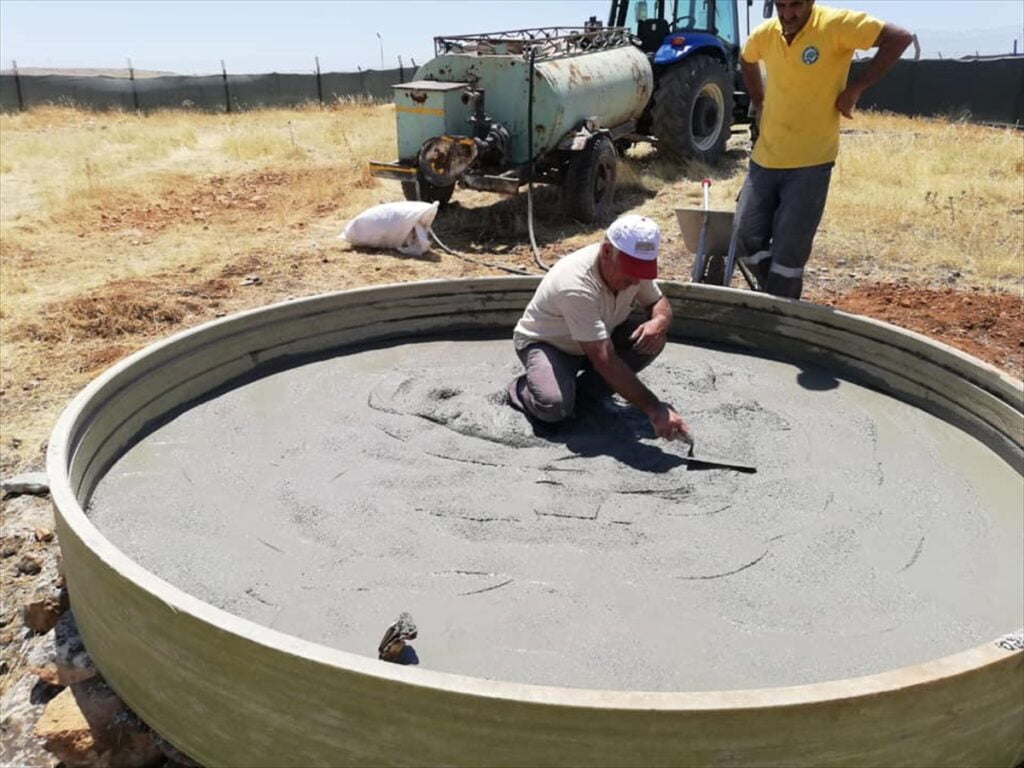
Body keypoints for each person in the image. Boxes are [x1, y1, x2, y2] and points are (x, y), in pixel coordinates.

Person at [737, 0, 912, 299]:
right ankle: (773, 298)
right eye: (781, 5)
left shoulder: (836, 25)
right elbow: (746, 57)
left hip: (810, 163)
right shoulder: (766, 33)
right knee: (744, 237)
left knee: (788, 253)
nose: (787, 14)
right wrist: (759, 99)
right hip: (765, 158)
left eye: (796, 6)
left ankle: (782, 321)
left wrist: (854, 90)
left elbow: (900, 38)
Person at [507, 215, 690, 441]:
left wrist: (659, 322)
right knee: (554, 407)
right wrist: (655, 409)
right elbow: (604, 358)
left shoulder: (633, 268)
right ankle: (523, 387)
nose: (636, 281)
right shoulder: (576, 284)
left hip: (596, 341)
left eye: (642, 271)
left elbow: (657, 302)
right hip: (550, 345)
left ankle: (581, 393)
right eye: (631, 270)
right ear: (606, 252)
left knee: (653, 339)